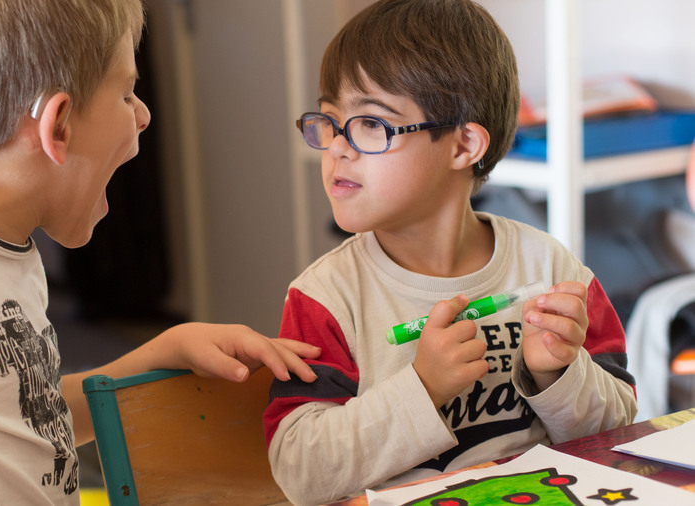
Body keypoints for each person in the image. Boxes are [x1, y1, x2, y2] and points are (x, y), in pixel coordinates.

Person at [0, 0, 320, 504]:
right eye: (127, 94)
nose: (143, 116)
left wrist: (162, 353)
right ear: (59, 125)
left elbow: (22, 420)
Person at [261, 1, 637, 504]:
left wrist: (558, 374)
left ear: (463, 146)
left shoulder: (553, 271)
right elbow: (300, 470)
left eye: (371, 124)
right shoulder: (326, 298)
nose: (336, 148)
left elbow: (618, 432)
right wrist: (422, 387)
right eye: (330, 122)